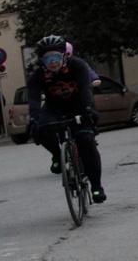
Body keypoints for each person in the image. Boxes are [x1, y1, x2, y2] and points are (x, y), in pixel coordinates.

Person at [27, 34, 106, 204]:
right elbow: (33, 98)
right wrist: (34, 117)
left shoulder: (77, 65)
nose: (53, 62)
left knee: (87, 142)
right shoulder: (38, 75)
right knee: (41, 128)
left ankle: (97, 186)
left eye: (56, 57)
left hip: (79, 106)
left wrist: (88, 109)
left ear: (64, 55)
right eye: (48, 59)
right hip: (54, 108)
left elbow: (86, 88)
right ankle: (57, 155)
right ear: (42, 61)